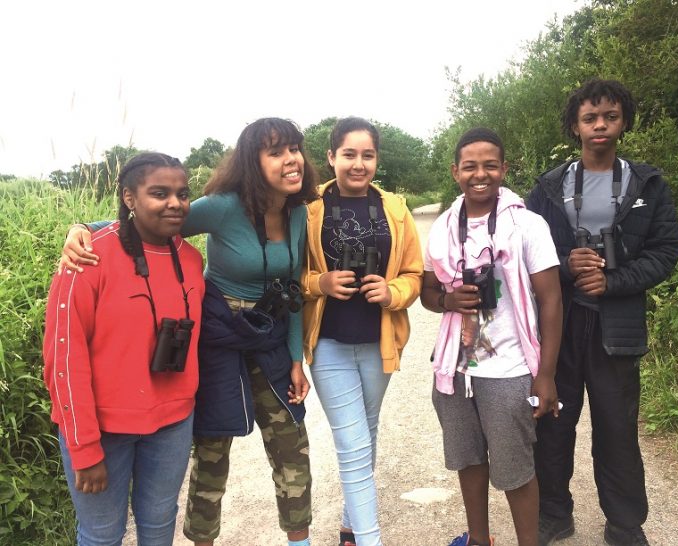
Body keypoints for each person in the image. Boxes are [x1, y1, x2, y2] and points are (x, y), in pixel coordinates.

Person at [59, 118, 320, 546]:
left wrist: (296, 359)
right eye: (275, 151)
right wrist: (84, 228)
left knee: (293, 446)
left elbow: (293, 289)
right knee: (213, 454)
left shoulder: (298, 213)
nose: (290, 159)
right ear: (253, 163)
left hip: (269, 335)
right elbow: (154, 217)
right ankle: (203, 540)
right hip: (219, 338)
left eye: (294, 148)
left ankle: (300, 540)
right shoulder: (223, 205)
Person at [526, 79, 678, 546]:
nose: (600, 126)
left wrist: (614, 281)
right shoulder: (550, 186)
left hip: (618, 325)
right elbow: (528, 249)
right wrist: (567, 266)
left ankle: (625, 523)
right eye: (590, 118)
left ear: (624, 121)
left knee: (616, 428)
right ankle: (553, 514)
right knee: (553, 423)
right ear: (575, 125)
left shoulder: (648, 183)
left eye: (610, 117)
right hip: (561, 321)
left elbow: (665, 250)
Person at [44, 152, 206, 545]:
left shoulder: (191, 258)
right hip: (103, 429)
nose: (175, 203)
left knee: (159, 525)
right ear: (129, 197)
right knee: (101, 535)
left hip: (172, 425)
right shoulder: (87, 259)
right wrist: (84, 448)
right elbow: (64, 359)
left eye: (182, 194)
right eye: (159, 193)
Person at [420, 128, 563, 546]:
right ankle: (480, 540)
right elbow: (428, 293)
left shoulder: (527, 225)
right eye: (469, 166)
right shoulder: (444, 227)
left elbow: (551, 301)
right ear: (455, 172)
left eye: (489, 165)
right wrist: (448, 300)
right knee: (468, 461)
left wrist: (547, 375)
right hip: (454, 369)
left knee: (516, 470)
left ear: (504, 168)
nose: (479, 174)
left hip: (510, 368)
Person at [300, 117, 423, 546]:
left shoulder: (395, 209)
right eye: (348, 154)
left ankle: (351, 530)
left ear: (376, 159)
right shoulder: (306, 206)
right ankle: (371, 540)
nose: (358, 164)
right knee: (352, 448)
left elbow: (414, 274)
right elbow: (284, 270)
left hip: (378, 342)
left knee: (366, 433)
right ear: (331, 157)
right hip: (329, 343)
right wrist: (321, 283)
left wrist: (392, 293)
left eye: (367, 155)